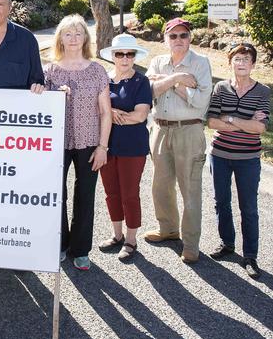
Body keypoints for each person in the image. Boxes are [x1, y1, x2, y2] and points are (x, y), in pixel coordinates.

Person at [43, 14, 112, 271]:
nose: (73, 39)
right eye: (67, 34)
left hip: (89, 143)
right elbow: (39, 107)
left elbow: (106, 112)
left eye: (78, 33)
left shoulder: (97, 70)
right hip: (56, 145)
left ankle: (81, 250)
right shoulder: (49, 70)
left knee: (85, 196)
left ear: (86, 38)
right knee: (55, 195)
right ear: (60, 37)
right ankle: (60, 244)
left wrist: (103, 147)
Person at [144, 18, 212, 264]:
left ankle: (191, 244)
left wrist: (167, 83)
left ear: (190, 37)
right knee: (161, 185)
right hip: (161, 129)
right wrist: (177, 79)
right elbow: (149, 90)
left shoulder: (201, 63)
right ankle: (168, 229)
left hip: (189, 131)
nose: (178, 40)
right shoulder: (158, 61)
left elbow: (200, 101)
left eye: (183, 35)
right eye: (173, 36)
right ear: (165, 39)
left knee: (190, 188)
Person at [206, 43, 269, 279]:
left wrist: (230, 117)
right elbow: (212, 122)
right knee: (221, 202)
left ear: (252, 64)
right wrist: (245, 122)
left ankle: (250, 256)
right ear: (230, 62)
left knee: (249, 208)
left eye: (246, 59)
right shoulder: (221, 87)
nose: (241, 63)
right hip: (219, 156)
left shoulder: (262, 91)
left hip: (248, 159)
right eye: (237, 59)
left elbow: (259, 128)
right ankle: (227, 243)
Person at [98, 34, 152, 261]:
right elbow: (97, 110)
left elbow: (140, 116)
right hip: (106, 145)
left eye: (130, 54)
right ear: (113, 56)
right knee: (111, 192)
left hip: (133, 147)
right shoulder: (104, 80)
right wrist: (111, 113)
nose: (125, 58)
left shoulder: (141, 82)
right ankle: (117, 235)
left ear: (135, 57)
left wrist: (109, 114)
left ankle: (131, 240)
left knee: (130, 194)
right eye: (120, 54)